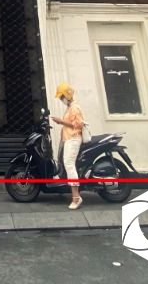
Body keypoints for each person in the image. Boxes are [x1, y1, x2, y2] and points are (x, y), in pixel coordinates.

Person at [51, 82, 85, 210]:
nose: (61, 99)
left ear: (67, 95)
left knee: (69, 164)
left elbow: (79, 125)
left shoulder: (74, 108)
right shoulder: (70, 107)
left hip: (73, 139)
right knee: (67, 164)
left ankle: (76, 197)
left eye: (62, 97)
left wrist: (61, 121)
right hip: (69, 139)